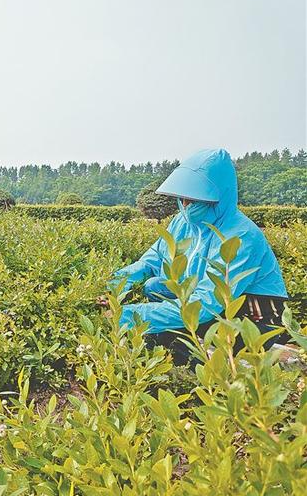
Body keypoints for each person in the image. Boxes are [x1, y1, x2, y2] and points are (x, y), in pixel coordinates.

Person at [107, 149, 289, 363]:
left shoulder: (241, 236)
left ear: (217, 198)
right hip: (209, 301)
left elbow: (206, 304)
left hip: (256, 315)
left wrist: (129, 315)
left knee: (191, 317)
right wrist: (114, 285)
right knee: (155, 286)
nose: (186, 206)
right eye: (182, 198)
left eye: (194, 199)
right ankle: (171, 357)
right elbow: (152, 260)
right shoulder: (182, 222)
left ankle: (199, 373)